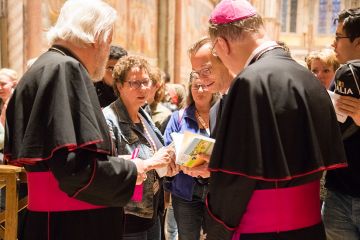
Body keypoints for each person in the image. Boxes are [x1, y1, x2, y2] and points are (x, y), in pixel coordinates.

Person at [3, 1, 167, 239]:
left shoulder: (43, 67)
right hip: (72, 225)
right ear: (98, 37)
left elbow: (62, 158)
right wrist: (131, 169)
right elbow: (76, 169)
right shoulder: (66, 69)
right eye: (108, 40)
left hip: (51, 222)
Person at [204, 1, 348, 239]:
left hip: (260, 230)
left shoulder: (249, 81)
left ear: (222, 44)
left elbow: (236, 176)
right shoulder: (307, 76)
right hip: (311, 227)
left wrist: (217, 226)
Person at [102, 55, 175, 240]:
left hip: (152, 209)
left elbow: (155, 150)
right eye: (134, 83)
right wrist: (151, 162)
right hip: (127, 215)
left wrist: (170, 160)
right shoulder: (108, 118)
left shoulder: (143, 113)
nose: (142, 88)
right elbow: (107, 167)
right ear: (119, 86)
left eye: (145, 82)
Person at [163, 45, 219, 239]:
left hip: (216, 192)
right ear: (190, 89)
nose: (200, 90)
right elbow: (166, 150)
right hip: (186, 191)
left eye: (204, 85)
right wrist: (173, 154)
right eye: (196, 86)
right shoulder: (178, 118)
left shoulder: (222, 114)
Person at [322, 7, 360, 240]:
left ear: (357, 41)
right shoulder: (343, 76)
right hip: (339, 196)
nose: (333, 44)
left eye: (338, 37)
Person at [146, 67, 172, 134]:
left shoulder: (164, 116)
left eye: (145, 83)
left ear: (157, 86)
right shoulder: (131, 110)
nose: (141, 88)